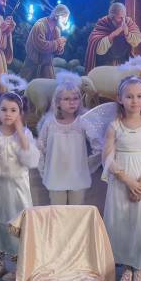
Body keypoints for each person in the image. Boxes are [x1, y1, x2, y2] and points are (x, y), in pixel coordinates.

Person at [102, 76, 141, 281]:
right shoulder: (114, 126)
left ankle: (140, 268)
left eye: (139, 96)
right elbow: (107, 157)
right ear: (120, 99)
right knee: (122, 221)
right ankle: (126, 266)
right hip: (121, 181)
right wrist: (127, 180)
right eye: (129, 96)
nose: (134, 101)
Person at [0, 78, 40, 281]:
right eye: (4, 109)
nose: (8, 114)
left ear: (20, 113)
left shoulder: (26, 134)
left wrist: (21, 133)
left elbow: (31, 160)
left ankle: (18, 266)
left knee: (17, 225)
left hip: (18, 188)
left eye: (13, 110)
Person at [36, 72, 92, 205]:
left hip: (77, 178)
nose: (72, 102)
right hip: (55, 177)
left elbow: (97, 145)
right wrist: (44, 171)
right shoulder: (49, 123)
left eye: (75, 98)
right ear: (57, 102)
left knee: (76, 212)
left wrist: (87, 166)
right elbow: (40, 148)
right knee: (58, 211)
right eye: (66, 99)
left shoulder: (83, 122)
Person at [85, 2, 141, 71]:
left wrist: (127, 33)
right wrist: (113, 34)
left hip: (124, 62)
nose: (122, 20)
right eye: (119, 18)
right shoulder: (103, 23)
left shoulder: (128, 22)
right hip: (106, 64)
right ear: (112, 17)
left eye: (124, 17)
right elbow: (98, 48)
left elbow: (138, 39)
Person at [20, 4, 68, 81]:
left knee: (49, 85)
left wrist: (60, 47)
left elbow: (55, 50)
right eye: (63, 18)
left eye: (66, 18)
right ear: (57, 16)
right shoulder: (40, 25)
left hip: (47, 64)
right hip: (33, 63)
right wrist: (57, 42)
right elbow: (41, 46)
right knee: (26, 84)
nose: (65, 21)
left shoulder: (57, 29)